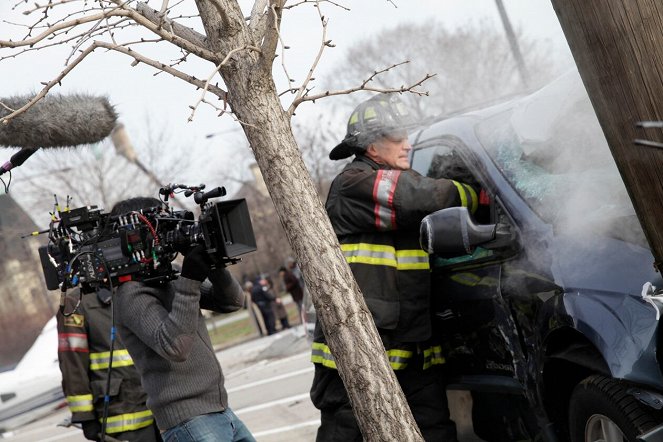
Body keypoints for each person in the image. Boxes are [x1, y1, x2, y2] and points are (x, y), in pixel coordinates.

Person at [310, 94, 479, 441]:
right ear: (372, 146)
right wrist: (474, 191)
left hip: (414, 353)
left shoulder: (403, 180)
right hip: (358, 355)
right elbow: (420, 197)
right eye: (397, 138)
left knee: (435, 434)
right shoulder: (353, 183)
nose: (407, 144)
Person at [112, 197, 255, 442]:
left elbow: (231, 301)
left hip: (219, 410)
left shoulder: (171, 274)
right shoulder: (130, 293)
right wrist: (189, 281)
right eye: (161, 227)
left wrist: (213, 265)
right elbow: (175, 346)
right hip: (188, 422)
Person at [57, 285, 161, 442]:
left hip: (164, 408)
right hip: (123, 415)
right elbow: (73, 365)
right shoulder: (76, 303)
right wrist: (85, 416)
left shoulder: (141, 285)